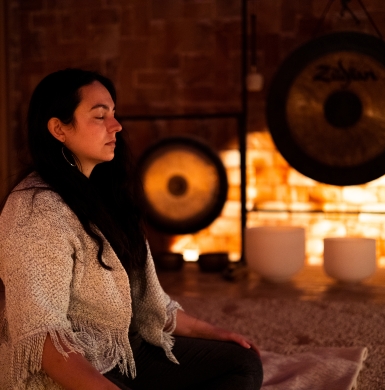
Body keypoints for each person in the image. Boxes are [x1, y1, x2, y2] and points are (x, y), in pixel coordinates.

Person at [0, 68, 263, 390]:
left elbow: (149, 305)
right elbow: (42, 338)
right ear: (59, 129)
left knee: (241, 362)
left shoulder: (102, 192)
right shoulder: (36, 211)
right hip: (66, 371)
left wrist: (213, 333)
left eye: (114, 113)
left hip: (121, 352)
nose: (117, 125)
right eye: (100, 116)